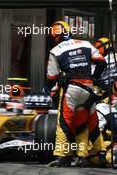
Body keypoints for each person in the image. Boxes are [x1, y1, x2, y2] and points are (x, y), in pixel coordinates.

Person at [46, 21, 107, 167]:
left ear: (56, 36)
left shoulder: (55, 50)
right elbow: (101, 62)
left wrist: (52, 88)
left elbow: (51, 77)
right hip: (88, 90)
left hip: (71, 90)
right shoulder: (86, 44)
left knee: (64, 123)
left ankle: (62, 155)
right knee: (87, 124)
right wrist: (93, 79)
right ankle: (92, 154)